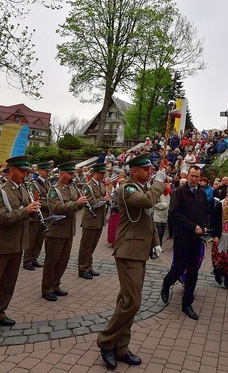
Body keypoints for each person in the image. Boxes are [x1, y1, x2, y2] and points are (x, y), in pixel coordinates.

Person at [98, 153, 165, 369]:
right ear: (135, 171)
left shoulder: (142, 188)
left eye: (150, 169)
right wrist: (160, 183)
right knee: (132, 302)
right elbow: (147, 202)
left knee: (126, 300)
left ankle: (122, 346)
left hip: (139, 251)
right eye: (146, 169)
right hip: (128, 251)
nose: (150, 172)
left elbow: (148, 219)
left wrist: (155, 242)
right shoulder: (128, 188)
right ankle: (106, 341)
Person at [0, 155, 40, 336]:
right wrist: (25, 211)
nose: (25, 174)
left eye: (26, 171)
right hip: (1, 244)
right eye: (21, 171)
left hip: (17, 243)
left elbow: (27, 215)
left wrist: (34, 209)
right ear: (11, 170)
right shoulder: (0, 191)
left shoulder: (24, 190)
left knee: (8, 283)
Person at [160, 165, 210, 320]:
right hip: (183, 236)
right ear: (188, 176)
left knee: (194, 270)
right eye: (192, 176)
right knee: (179, 267)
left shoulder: (201, 194)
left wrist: (205, 225)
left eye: (197, 177)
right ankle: (167, 283)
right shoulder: (179, 192)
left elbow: (206, 213)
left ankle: (187, 303)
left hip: (197, 238)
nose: (194, 179)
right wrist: (192, 226)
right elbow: (174, 213)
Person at [43, 161, 87, 300]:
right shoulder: (54, 190)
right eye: (70, 173)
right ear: (62, 174)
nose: (72, 176)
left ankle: (56, 285)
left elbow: (75, 207)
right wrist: (77, 203)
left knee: (63, 261)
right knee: (52, 261)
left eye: (73, 173)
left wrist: (81, 204)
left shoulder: (72, 188)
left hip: (68, 230)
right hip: (56, 231)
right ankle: (47, 288)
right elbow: (56, 208)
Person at [78, 162, 111, 279]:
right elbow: (90, 202)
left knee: (92, 245)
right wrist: (104, 199)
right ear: (95, 173)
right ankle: (82, 268)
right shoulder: (88, 186)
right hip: (90, 220)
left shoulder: (101, 185)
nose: (103, 175)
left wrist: (107, 199)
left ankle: (89, 266)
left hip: (99, 220)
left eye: (104, 173)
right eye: (101, 173)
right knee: (86, 246)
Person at [23, 162, 52, 270]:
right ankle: (27, 261)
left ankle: (34, 258)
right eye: (46, 171)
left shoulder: (48, 183)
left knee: (40, 238)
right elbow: (32, 199)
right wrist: (49, 204)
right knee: (31, 239)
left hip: (45, 214)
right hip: (35, 215)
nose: (48, 173)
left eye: (49, 171)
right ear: (40, 171)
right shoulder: (33, 184)